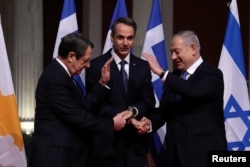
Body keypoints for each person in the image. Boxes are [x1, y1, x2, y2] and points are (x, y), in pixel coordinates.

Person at [28, 32, 132, 167]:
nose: (88, 65)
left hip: (65, 155)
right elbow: (77, 116)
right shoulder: (55, 78)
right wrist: (111, 123)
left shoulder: (64, 76)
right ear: (71, 56)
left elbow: (83, 106)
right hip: (54, 156)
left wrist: (102, 84)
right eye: (85, 60)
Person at [139, 30, 227, 167]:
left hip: (203, 154)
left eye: (177, 51)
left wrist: (162, 73)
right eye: (171, 52)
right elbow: (165, 110)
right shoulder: (175, 77)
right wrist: (149, 123)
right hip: (175, 156)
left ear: (193, 49)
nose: (173, 57)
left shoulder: (212, 74)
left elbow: (193, 91)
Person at [85, 17, 156, 167]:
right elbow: (96, 105)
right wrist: (129, 118)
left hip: (135, 147)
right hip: (107, 146)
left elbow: (148, 100)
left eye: (130, 38)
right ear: (112, 37)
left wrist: (133, 111)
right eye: (120, 37)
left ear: (134, 39)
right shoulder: (96, 66)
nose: (125, 43)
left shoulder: (143, 66)